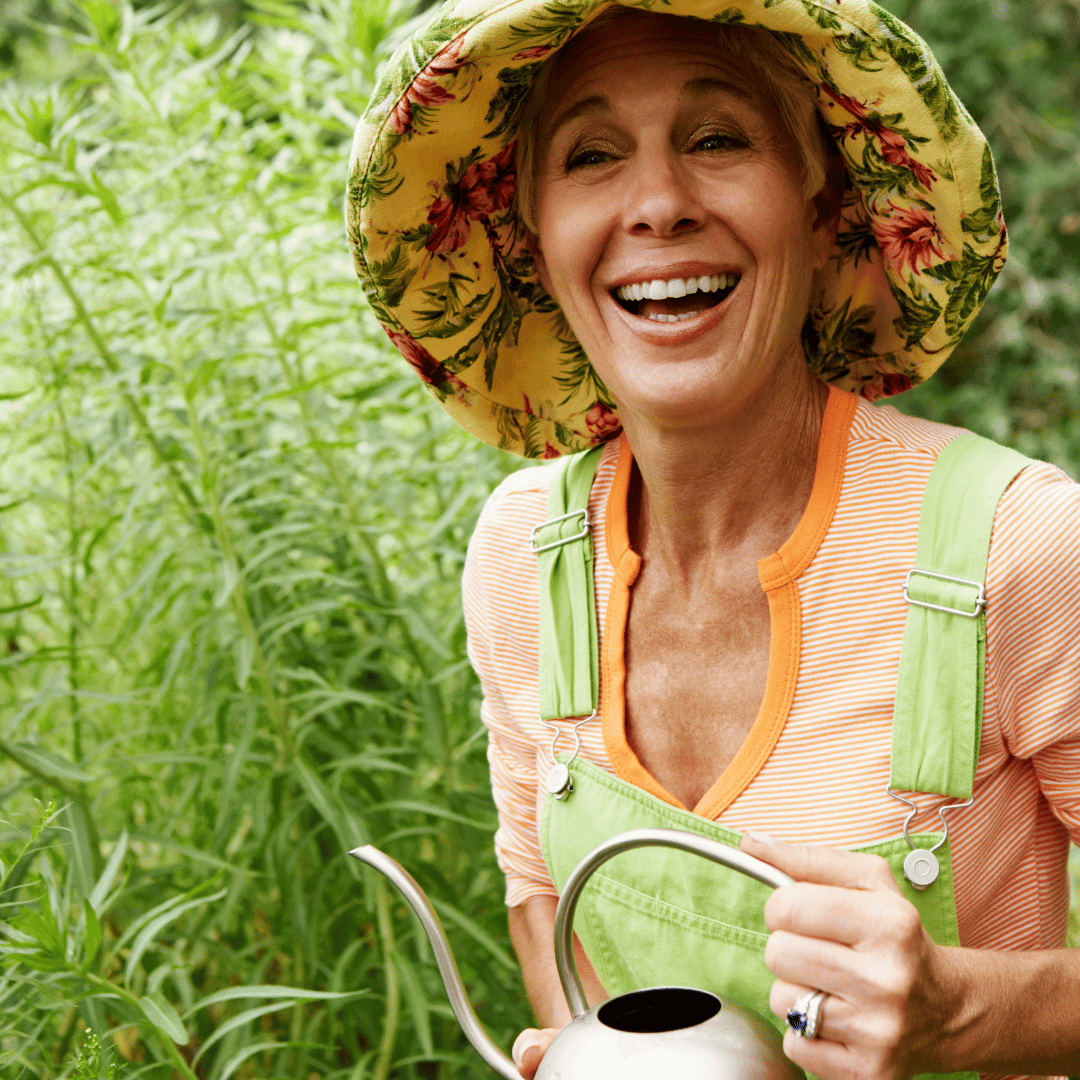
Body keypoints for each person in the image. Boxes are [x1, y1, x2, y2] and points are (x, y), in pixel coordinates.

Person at [346, 2, 1080, 1078]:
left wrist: (959, 1009)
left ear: (826, 206)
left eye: (718, 138)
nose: (657, 205)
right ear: (533, 242)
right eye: (592, 156)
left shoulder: (1017, 548)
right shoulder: (523, 558)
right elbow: (544, 906)